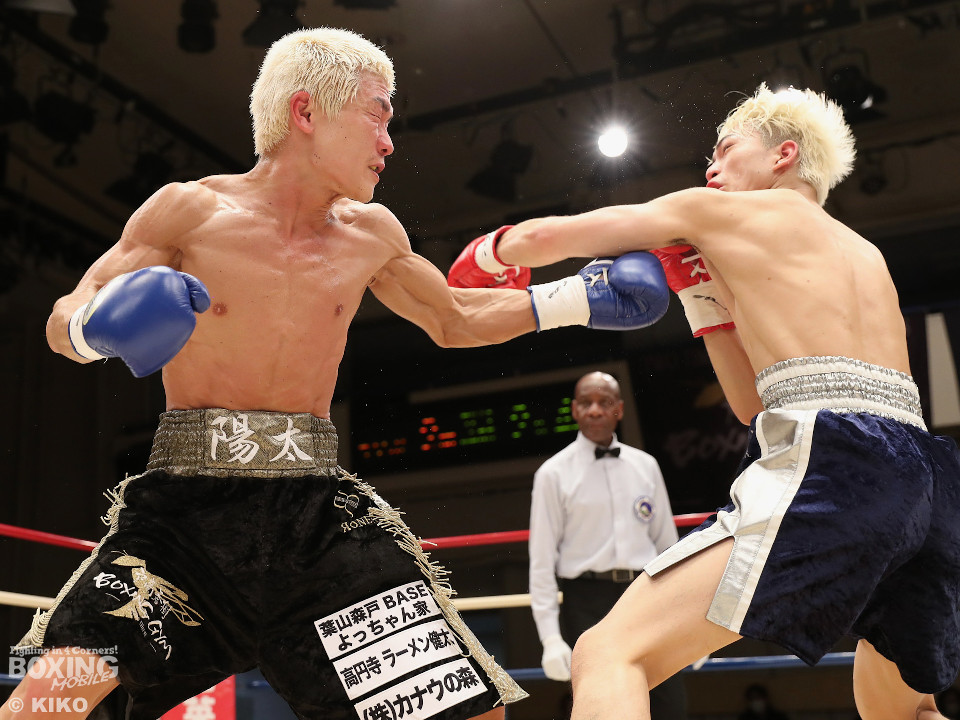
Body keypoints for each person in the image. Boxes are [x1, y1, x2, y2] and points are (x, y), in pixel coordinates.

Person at [0, 28, 671, 720]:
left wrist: (576, 299)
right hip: (181, 524)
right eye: (377, 115)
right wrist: (94, 327)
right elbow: (63, 317)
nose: (389, 142)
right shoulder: (189, 211)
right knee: (44, 704)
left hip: (318, 525)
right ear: (305, 112)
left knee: (474, 711)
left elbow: (454, 317)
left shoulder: (372, 233)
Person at [449, 84, 960, 720]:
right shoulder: (865, 251)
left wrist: (491, 254)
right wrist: (701, 297)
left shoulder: (716, 212)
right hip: (928, 481)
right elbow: (750, 405)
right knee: (905, 712)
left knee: (608, 654)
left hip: (838, 460)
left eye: (726, 148)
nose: (710, 167)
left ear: (783, 155)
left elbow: (559, 235)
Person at [528, 371, 687, 720]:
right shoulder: (553, 473)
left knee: (669, 704)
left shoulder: (645, 466)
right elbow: (541, 561)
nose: (595, 410)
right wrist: (549, 638)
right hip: (586, 601)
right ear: (574, 410)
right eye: (586, 403)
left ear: (619, 410)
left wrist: (684, 618)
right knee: (603, 706)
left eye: (605, 402)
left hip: (645, 595)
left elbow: (669, 547)